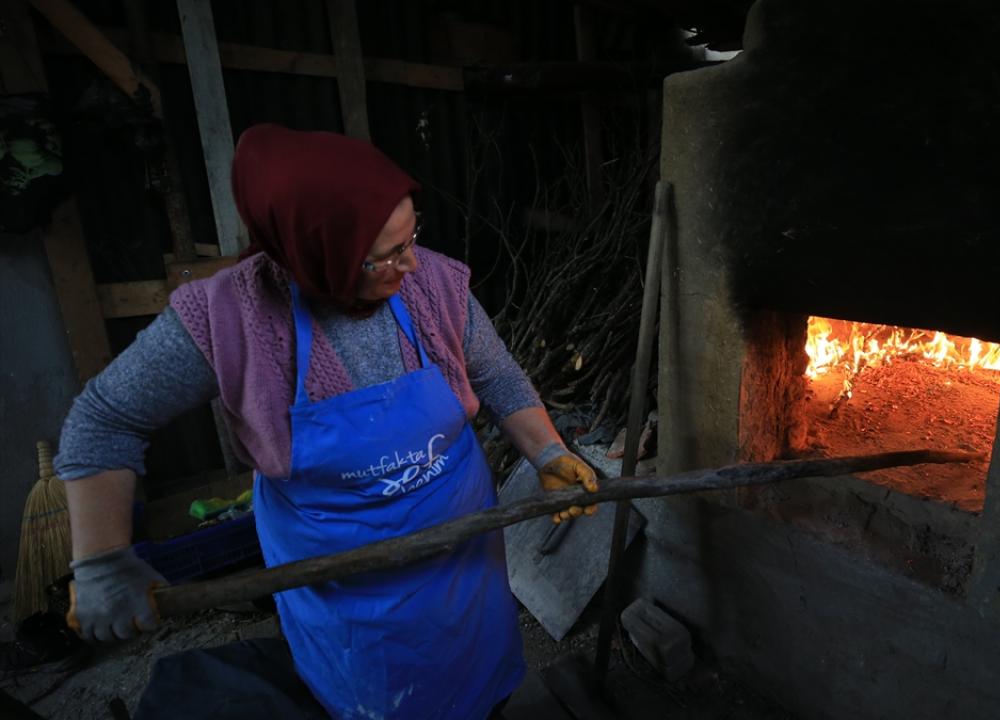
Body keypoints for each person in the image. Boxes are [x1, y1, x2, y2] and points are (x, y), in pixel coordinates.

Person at [55, 124, 599, 720]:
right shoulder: (226, 319)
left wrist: (548, 452)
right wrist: (102, 560)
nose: (412, 262)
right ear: (318, 251)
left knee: (475, 673)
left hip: (458, 547)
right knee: (374, 695)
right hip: (341, 570)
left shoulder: (435, 284)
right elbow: (103, 419)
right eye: (387, 253)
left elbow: (497, 376)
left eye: (412, 233)